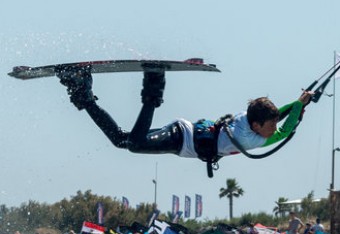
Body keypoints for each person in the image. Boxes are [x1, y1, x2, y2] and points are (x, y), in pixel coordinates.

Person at [56, 66, 313, 173]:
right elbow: (285, 132)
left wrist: (299, 103)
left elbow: (280, 116)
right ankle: (154, 85)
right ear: (257, 126)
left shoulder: (251, 118)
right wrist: (299, 107)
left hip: (183, 134)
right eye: (271, 125)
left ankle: (82, 92)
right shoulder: (249, 140)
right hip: (182, 138)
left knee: (122, 140)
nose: (274, 126)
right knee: (134, 144)